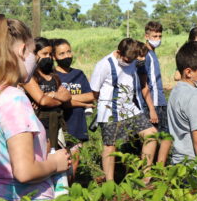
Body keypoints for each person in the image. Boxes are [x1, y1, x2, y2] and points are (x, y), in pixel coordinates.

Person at [0, 15, 71, 201]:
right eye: (34, 51)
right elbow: (24, 171)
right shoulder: (14, 99)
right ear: (22, 50)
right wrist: (55, 163)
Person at [90, 38, 158, 181]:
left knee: (151, 134)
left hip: (130, 109)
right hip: (109, 111)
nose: (129, 62)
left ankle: (146, 178)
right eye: (127, 59)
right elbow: (94, 91)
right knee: (110, 147)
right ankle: (109, 183)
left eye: (131, 60)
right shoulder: (104, 64)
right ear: (119, 52)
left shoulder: (133, 60)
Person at [53, 39, 95, 176]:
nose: (67, 56)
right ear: (54, 57)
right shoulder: (53, 76)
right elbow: (57, 101)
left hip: (77, 125)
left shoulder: (79, 74)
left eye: (69, 52)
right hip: (60, 126)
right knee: (60, 164)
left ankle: (70, 193)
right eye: (62, 54)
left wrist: (67, 97)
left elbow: (90, 95)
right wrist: (83, 102)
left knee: (74, 164)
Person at [23, 37, 71, 150]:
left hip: (56, 124)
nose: (48, 57)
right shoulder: (30, 76)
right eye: (44, 54)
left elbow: (67, 95)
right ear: (34, 54)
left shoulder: (53, 75)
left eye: (50, 54)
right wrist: (59, 99)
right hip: (38, 124)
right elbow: (43, 101)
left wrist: (53, 95)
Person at [142, 21, 172, 165]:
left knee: (166, 136)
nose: (157, 39)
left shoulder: (153, 54)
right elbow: (144, 83)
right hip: (153, 103)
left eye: (160, 36)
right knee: (155, 137)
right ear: (146, 36)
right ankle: (148, 172)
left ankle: (159, 167)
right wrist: (151, 109)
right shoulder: (145, 55)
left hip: (160, 100)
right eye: (154, 36)